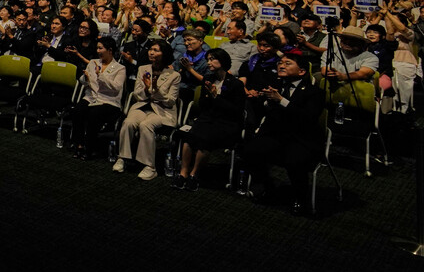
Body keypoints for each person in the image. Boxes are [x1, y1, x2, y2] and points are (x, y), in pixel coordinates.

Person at [241, 53, 324, 215]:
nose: (281, 65)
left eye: (287, 63)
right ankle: (268, 187)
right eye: (280, 63)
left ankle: (300, 199)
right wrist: (265, 100)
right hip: (276, 135)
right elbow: (265, 111)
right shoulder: (275, 85)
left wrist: (281, 101)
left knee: (294, 160)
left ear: (301, 71)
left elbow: (308, 118)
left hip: (301, 138)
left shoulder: (314, 92)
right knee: (249, 151)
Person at [171, 48, 246, 191]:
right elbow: (203, 106)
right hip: (208, 118)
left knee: (204, 139)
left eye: (212, 59)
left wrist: (216, 97)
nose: (209, 62)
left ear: (222, 61)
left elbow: (236, 111)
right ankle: (183, 173)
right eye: (208, 59)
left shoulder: (235, 84)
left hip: (227, 122)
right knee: (189, 137)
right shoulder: (208, 80)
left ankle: (194, 174)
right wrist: (208, 96)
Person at [114, 41, 180, 180]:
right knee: (128, 122)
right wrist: (146, 88)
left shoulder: (174, 75)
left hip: (162, 110)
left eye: (156, 50)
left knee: (146, 125)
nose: (151, 52)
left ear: (164, 54)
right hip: (142, 105)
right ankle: (122, 157)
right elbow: (137, 95)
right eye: (150, 49)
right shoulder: (143, 69)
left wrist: (155, 89)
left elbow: (170, 101)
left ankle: (150, 167)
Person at [69, 36, 127, 158]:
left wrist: (100, 76)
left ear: (110, 50)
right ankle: (79, 144)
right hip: (91, 97)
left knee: (93, 115)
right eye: (97, 48)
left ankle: (90, 148)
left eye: (101, 48)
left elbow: (116, 87)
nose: (98, 51)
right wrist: (85, 78)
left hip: (109, 101)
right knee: (77, 111)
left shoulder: (120, 68)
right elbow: (84, 83)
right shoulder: (92, 63)